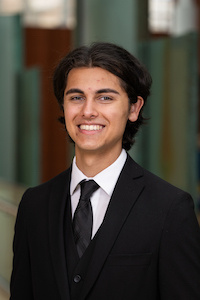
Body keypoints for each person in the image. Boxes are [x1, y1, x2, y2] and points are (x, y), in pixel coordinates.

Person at [10, 42, 200, 300]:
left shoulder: (170, 208)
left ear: (134, 108)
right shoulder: (34, 204)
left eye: (105, 97)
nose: (88, 111)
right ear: (63, 107)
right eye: (76, 97)